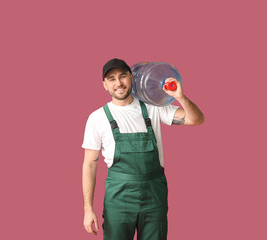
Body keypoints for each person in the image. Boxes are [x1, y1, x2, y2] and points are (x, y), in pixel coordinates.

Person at [82, 58, 205, 240]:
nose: (118, 83)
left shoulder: (153, 107)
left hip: (154, 195)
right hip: (118, 197)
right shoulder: (97, 118)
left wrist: (180, 97)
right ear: (105, 85)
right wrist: (88, 209)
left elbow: (197, 119)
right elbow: (90, 165)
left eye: (123, 76)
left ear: (132, 78)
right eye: (112, 79)